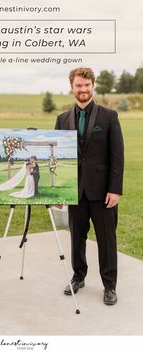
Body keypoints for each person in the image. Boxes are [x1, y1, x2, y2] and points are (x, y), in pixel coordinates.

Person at [55, 68, 124, 305]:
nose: (82, 90)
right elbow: (59, 158)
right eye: (78, 86)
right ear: (72, 87)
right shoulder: (62, 119)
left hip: (103, 192)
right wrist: (59, 191)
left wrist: (115, 189)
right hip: (75, 191)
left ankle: (109, 286)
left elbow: (117, 156)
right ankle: (78, 277)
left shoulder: (109, 116)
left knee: (106, 240)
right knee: (77, 237)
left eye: (86, 85)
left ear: (92, 85)